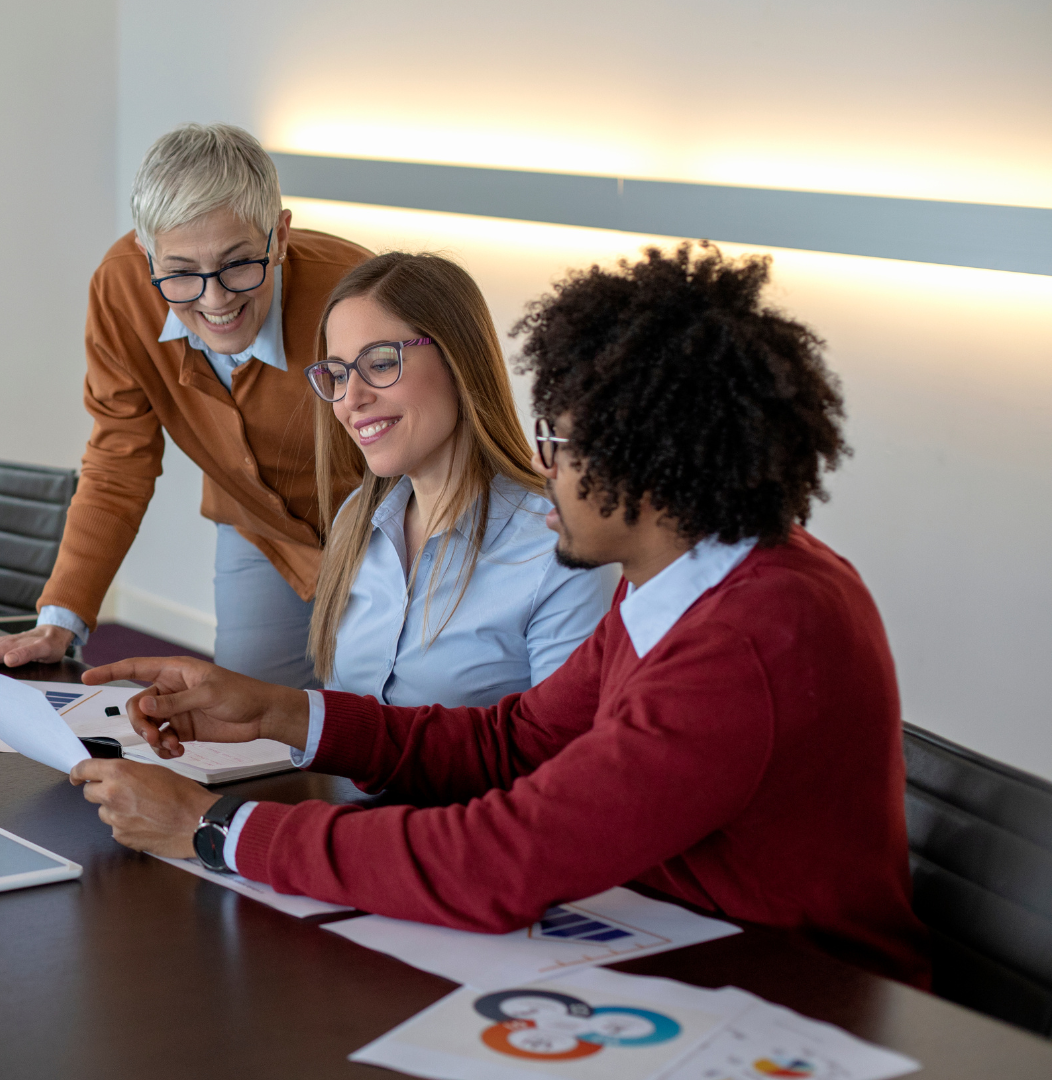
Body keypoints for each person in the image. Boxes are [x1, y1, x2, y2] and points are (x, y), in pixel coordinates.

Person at [69, 243, 931, 986]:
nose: (542, 467)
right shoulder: (671, 579)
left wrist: (216, 829)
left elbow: (507, 856)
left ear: (649, 461)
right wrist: (283, 711)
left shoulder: (752, 633)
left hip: (797, 1003)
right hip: (678, 948)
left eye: (557, 443)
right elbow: (513, 742)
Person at [0, 124, 371, 686]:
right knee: (253, 725)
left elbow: (427, 447)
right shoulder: (121, 288)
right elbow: (118, 459)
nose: (216, 300)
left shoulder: (357, 293)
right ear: (147, 254)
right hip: (259, 531)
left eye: (240, 263)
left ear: (281, 234)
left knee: (381, 717)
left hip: (383, 528)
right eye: (180, 274)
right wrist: (59, 621)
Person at [305, 252, 615, 704]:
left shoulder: (560, 544)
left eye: (381, 362)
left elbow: (564, 754)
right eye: (337, 374)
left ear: (457, 360)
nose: (351, 398)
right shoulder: (354, 521)